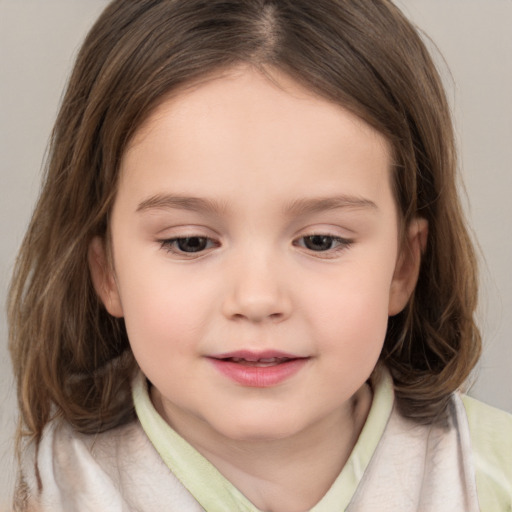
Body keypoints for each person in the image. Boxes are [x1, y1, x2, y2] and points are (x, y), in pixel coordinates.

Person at [7, 0, 511, 510]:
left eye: (320, 241)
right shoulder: (54, 490)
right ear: (108, 271)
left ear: (403, 266)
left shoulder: (489, 474)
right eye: (191, 242)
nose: (256, 298)